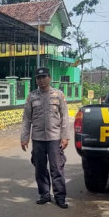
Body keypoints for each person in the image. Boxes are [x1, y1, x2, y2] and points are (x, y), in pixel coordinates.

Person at [20, 67, 70, 208]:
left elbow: (64, 117)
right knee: (40, 168)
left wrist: (65, 137)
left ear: (49, 78)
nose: (41, 80)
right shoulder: (32, 97)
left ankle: (60, 197)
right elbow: (26, 119)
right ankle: (44, 194)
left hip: (55, 138)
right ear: (36, 80)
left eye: (44, 77)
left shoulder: (58, 95)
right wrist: (24, 137)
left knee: (57, 168)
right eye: (38, 78)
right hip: (38, 138)